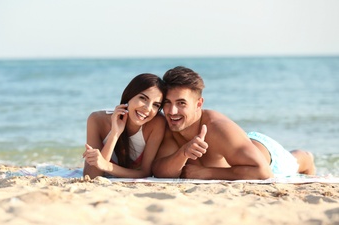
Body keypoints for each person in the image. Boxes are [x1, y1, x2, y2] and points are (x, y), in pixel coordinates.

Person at [152, 66, 315, 180]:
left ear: (199, 104)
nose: (172, 111)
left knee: (296, 162)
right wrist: (183, 153)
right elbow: (160, 170)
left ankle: (306, 157)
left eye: (181, 103)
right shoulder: (170, 125)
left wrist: (206, 173)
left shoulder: (216, 126)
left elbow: (263, 172)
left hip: (269, 157)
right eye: (167, 102)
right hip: (241, 144)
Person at [83, 73, 166, 178]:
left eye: (156, 105)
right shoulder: (97, 120)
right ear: (129, 95)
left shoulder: (157, 123)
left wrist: (106, 166)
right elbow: (91, 176)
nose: (148, 108)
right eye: (143, 98)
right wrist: (114, 134)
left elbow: (145, 172)